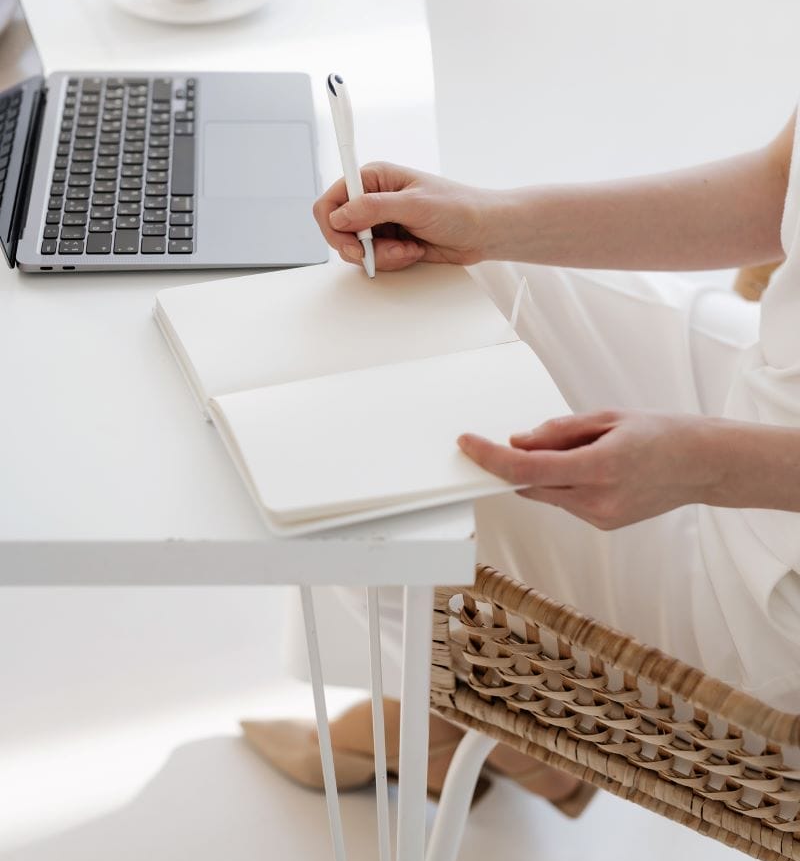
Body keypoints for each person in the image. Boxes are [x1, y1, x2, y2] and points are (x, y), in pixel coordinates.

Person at [242, 110, 800, 814]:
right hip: (768, 373)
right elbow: (783, 184)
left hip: (774, 586)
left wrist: (704, 464)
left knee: (359, 503)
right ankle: (445, 714)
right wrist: (487, 217)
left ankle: (492, 733)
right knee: (409, 300)